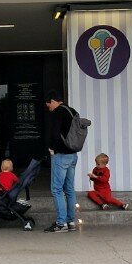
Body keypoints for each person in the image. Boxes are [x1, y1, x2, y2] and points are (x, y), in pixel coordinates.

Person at [44, 91, 81, 232]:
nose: (49, 109)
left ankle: (61, 223)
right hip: (73, 155)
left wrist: (51, 148)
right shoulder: (72, 111)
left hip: (61, 155)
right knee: (70, 189)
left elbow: (54, 133)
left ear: (53, 101)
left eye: (49, 106)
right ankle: (71, 222)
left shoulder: (58, 112)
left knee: (57, 189)